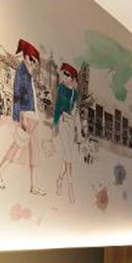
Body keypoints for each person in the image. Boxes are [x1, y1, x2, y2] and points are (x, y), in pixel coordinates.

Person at [0, 39, 45, 196]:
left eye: (35, 61)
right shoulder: (22, 71)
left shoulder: (28, 73)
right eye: (31, 59)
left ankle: (34, 186)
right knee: (18, 146)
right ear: (25, 56)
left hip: (32, 116)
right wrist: (17, 118)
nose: (33, 63)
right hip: (25, 115)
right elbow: (16, 95)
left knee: (34, 152)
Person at [52, 63, 79, 203]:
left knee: (66, 158)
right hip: (62, 123)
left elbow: (75, 112)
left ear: (72, 77)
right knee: (69, 158)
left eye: (67, 75)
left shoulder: (75, 93)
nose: (64, 76)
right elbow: (57, 108)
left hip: (70, 126)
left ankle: (59, 180)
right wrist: (54, 125)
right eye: (64, 74)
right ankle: (70, 188)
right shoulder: (61, 88)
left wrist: (77, 130)